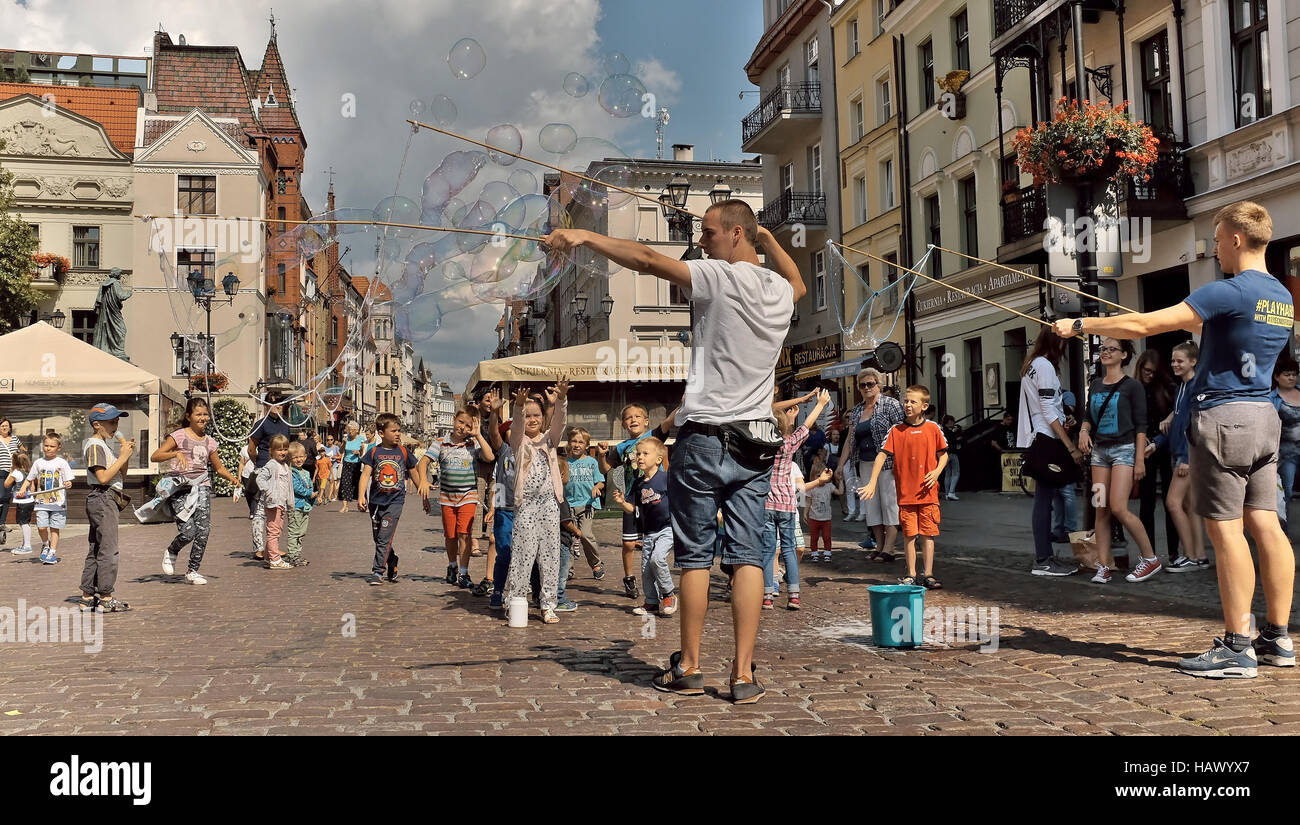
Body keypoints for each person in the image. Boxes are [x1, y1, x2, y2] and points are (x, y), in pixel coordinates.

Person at [544, 199, 804, 704]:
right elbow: (798, 283)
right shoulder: (777, 290)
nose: (701, 242)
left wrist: (583, 238)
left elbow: (644, 258)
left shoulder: (718, 276)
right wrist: (771, 242)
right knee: (750, 557)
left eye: (708, 233)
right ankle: (743, 675)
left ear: (734, 235)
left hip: (704, 438)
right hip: (755, 442)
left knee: (694, 558)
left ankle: (688, 665)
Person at [1055, 200, 1295, 677]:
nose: (1215, 247)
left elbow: (1144, 326)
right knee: (1266, 525)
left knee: (1225, 530)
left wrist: (1082, 324)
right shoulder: (1279, 295)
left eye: (1216, 236)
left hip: (1225, 419)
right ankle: (1278, 638)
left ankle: (1236, 645)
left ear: (1236, 239)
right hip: (1265, 416)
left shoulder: (1228, 290)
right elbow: (1227, 333)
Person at [1079, 337, 1161, 584]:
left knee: (1118, 507)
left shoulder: (1132, 386)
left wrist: (1140, 460)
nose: (1105, 352)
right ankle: (1103, 566)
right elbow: (1088, 416)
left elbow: (1141, 425)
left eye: (1111, 349)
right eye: (1103, 349)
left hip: (1124, 451)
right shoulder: (1094, 385)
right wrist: (1083, 431)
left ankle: (1150, 558)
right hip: (1099, 453)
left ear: (1124, 355)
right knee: (1100, 507)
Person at [860, 385, 949, 589]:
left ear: (924, 406)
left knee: (928, 534)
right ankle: (910, 573)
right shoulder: (896, 430)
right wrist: (872, 482)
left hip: (928, 493)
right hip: (906, 494)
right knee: (909, 535)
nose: (907, 405)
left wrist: (936, 472)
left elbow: (943, 454)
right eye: (906, 401)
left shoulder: (934, 428)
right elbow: (881, 455)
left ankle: (928, 574)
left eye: (912, 402)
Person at [1017, 327, 1085, 577]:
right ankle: (1043, 560)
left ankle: (1044, 558)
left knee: (1044, 499)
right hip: (1047, 436)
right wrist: (1070, 445)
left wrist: (1062, 420)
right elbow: (1046, 409)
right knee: (1045, 500)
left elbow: (1045, 407)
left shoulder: (1031, 365)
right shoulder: (1044, 366)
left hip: (1040, 433)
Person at [502, 379, 569, 625]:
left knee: (550, 555)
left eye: (536, 415)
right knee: (522, 554)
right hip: (527, 505)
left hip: (549, 503)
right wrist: (519, 407)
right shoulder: (518, 441)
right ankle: (515, 601)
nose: (532, 419)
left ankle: (549, 604)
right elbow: (517, 427)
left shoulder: (550, 439)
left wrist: (561, 400)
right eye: (528, 415)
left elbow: (559, 423)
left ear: (543, 417)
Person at [151, 397, 237, 584]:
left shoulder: (210, 442)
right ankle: (172, 550)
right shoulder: (179, 436)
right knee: (188, 531)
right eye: (199, 414)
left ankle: (192, 571)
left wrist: (233, 479)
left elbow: (218, 468)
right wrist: (175, 452)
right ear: (189, 416)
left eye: (205, 414)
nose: (203, 417)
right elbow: (155, 456)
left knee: (204, 530)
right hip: (180, 488)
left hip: (202, 488)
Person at [596, 403, 676, 601]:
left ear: (646, 421)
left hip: (655, 497)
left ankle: (659, 584)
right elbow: (606, 469)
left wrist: (684, 403)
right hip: (632, 497)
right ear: (623, 424)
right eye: (629, 417)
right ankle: (629, 578)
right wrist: (601, 455)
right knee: (629, 544)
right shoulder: (622, 447)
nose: (633, 420)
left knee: (656, 540)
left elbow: (669, 421)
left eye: (638, 416)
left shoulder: (654, 436)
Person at [764, 388, 831, 610]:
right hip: (786, 504)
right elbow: (806, 427)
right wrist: (819, 405)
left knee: (767, 550)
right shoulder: (788, 445)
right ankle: (793, 595)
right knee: (789, 549)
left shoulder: (761, 446)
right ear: (785, 428)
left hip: (765, 503)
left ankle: (767, 596)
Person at [417, 403, 494, 588]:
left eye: (469, 426)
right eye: (461, 422)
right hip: (447, 497)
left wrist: (478, 435)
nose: (463, 428)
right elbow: (423, 462)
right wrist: (423, 480)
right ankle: (452, 566)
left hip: (468, 495)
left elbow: (490, 457)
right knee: (450, 535)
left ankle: (464, 572)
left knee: (464, 534)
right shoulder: (441, 442)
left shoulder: (473, 444)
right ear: (454, 420)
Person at [838, 367, 905, 562]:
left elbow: (902, 434)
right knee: (872, 506)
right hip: (865, 463)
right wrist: (841, 465)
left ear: (879, 385)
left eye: (870, 384)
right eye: (862, 385)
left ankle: (890, 548)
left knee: (889, 504)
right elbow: (850, 438)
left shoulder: (890, 405)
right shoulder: (858, 409)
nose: (867, 388)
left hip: (888, 463)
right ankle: (880, 545)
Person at [1153, 341, 1209, 571]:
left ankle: (1191, 556)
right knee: (1190, 506)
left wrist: (1186, 457)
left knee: (1172, 503)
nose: (1175, 364)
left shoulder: (1196, 387)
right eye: (1173, 360)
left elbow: (1197, 424)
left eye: (1180, 361)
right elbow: (1178, 420)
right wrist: (1156, 443)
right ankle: (1200, 556)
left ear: (1193, 361)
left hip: (1188, 457)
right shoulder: (1181, 388)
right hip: (1182, 453)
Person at [359, 413, 425, 586]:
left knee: (383, 537)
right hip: (375, 501)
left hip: (395, 502)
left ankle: (377, 571)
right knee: (379, 537)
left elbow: (413, 472)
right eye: (394, 431)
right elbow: (365, 475)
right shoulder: (373, 452)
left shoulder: (403, 451)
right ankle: (392, 560)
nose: (398, 434)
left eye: (399, 431)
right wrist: (360, 497)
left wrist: (423, 493)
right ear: (381, 433)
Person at [80, 404, 135, 611]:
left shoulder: (104, 444)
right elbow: (103, 477)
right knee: (109, 550)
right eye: (111, 422)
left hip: (104, 498)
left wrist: (125, 456)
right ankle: (105, 596)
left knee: (96, 548)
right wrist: (122, 456)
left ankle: (87, 596)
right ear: (97, 424)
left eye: (117, 421)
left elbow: (121, 474)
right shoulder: (95, 445)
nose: (116, 425)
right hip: (104, 498)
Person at [613, 437, 676, 617]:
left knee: (657, 560)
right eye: (638, 454)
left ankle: (669, 594)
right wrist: (621, 502)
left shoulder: (666, 478)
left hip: (667, 528)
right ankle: (651, 602)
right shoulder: (639, 484)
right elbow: (633, 509)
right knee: (646, 570)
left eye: (645, 454)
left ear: (658, 459)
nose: (640, 457)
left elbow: (680, 499)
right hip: (648, 533)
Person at [1135, 349, 1179, 563]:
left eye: (1153, 372)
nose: (1149, 375)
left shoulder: (1168, 388)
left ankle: (1173, 552)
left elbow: (1179, 412)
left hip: (1165, 446)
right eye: (1146, 371)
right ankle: (1148, 552)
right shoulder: (1135, 388)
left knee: (1170, 502)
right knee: (1146, 502)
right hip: (1145, 447)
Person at [20, 432, 73, 565]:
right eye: (46, 445)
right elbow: (29, 479)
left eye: (52, 446)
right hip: (41, 502)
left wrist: (68, 484)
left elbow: (68, 481)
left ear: (58, 448)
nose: (48, 448)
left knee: (55, 528)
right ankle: (45, 544)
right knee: (42, 527)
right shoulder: (38, 462)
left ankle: (52, 553)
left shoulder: (62, 463)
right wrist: (22, 489)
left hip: (58, 503)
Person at [248, 397, 291, 559]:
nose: (277, 407)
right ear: (266, 405)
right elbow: (252, 447)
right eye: (273, 404)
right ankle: (258, 547)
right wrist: (259, 464)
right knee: (259, 510)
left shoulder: (286, 424)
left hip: (280, 470)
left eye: (279, 404)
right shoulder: (260, 424)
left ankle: (272, 547)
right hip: (264, 468)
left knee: (278, 510)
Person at [484, 393, 516, 610]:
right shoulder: (504, 451)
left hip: (527, 508)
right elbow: (493, 433)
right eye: (510, 432)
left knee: (529, 554)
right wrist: (495, 412)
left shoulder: (532, 449)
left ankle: (527, 591)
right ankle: (497, 590)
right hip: (506, 507)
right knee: (504, 551)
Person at [564, 426, 606, 581]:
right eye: (573, 441)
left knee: (586, 535)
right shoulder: (564, 462)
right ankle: (567, 568)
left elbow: (601, 481)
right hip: (568, 505)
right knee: (567, 538)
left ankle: (596, 563)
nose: (576, 445)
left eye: (580, 442)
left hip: (587, 505)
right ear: (568, 443)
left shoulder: (592, 463)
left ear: (587, 446)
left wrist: (596, 487)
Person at [1269, 356, 1300, 531]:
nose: (1291, 378)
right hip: (1286, 452)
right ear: (1276, 377)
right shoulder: (1272, 398)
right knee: (1285, 492)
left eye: (1294, 374)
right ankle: (1283, 532)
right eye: (1287, 374)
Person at [254, 434, 294, 570]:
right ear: (271, 451)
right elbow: (260, 478)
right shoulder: (271, 464)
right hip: (273, 503)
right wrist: (269, 491)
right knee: (273, 531)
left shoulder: (284, 465)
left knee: (276, 530)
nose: (283, 452)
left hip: (281, 503)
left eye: (285, 449)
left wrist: (289, 501)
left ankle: (267, 557)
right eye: (279, 449)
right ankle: (275, 560)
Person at [284, 441, 314, 567]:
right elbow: (297, 488)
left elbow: (310, 485)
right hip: (295, 505)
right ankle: (292, 555)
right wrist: (309, 493)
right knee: (294, 531)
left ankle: (297, 553)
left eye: (301, 456)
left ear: (305, 456)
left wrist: (312, 493)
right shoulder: (291, 472)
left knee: (302, 531)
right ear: (290, 458)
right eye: (295, 457)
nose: (298, 459)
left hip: (305, 506)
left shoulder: (305, 472)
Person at [805, 457, 835, 562]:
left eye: (823, 476)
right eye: (818, 476)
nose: (821, 479)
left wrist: (841, 481)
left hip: (826, 518)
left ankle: (827, 553)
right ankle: (814, 553)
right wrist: (805, 513)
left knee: (827, 537)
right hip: (814, 517)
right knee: (814, 537)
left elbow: (840, 492)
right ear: (813, 477)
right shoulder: (812, 488)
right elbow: (808, 501)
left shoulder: (829, 486)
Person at [5, 452, 35, 554]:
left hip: (22, 502)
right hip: (30, 501)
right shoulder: (29, 473)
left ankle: (27, 546)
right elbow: (33, 488)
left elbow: (6, 484)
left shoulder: (16, 473)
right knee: (25, 522)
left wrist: (10, 472)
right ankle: (24, 544)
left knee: (23, 523)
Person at [338, 421, 365, 513]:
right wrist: (344, 443)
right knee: (345, 484)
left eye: (352, 430)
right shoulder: (346, 438)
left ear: (357, 431)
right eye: (349, 429)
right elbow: (341, 452)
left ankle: (361, 504)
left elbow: (362, 453)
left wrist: (359, 452)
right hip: (347, 463)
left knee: (357, 484)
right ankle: (345, 506)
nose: (350, 432)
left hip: (357, 464)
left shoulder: (361, 439)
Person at [0, 418, 20, 545]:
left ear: (10, 427)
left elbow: (22, 451)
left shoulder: (15, 439)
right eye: (2, 426)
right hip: (0, 471)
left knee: (7, 498)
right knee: (1, 496)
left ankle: (2, 523)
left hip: (12, 472)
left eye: (6, 426)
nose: (4, 428)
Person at [939, 415, 964, 501]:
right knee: (956, 472)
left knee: (947, 474)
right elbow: (955, 439)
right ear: (949, 422)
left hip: (944, 454)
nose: (953, 423)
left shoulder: (942, 431)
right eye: (952, 421)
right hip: (952, 453)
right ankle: (951, 492)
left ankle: (947, 493)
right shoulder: (951, 432)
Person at [324, 434, 343, 503]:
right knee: (328, 481)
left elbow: (340, 456)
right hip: (326, 467)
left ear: (333, 440)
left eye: (331, 439)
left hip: (334, 466)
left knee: (333, 481)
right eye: (328, 440)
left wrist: (334, 457)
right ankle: (333, 495)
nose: (329, 441)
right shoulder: (325, 448)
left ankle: (331, 496)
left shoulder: (336, 447)